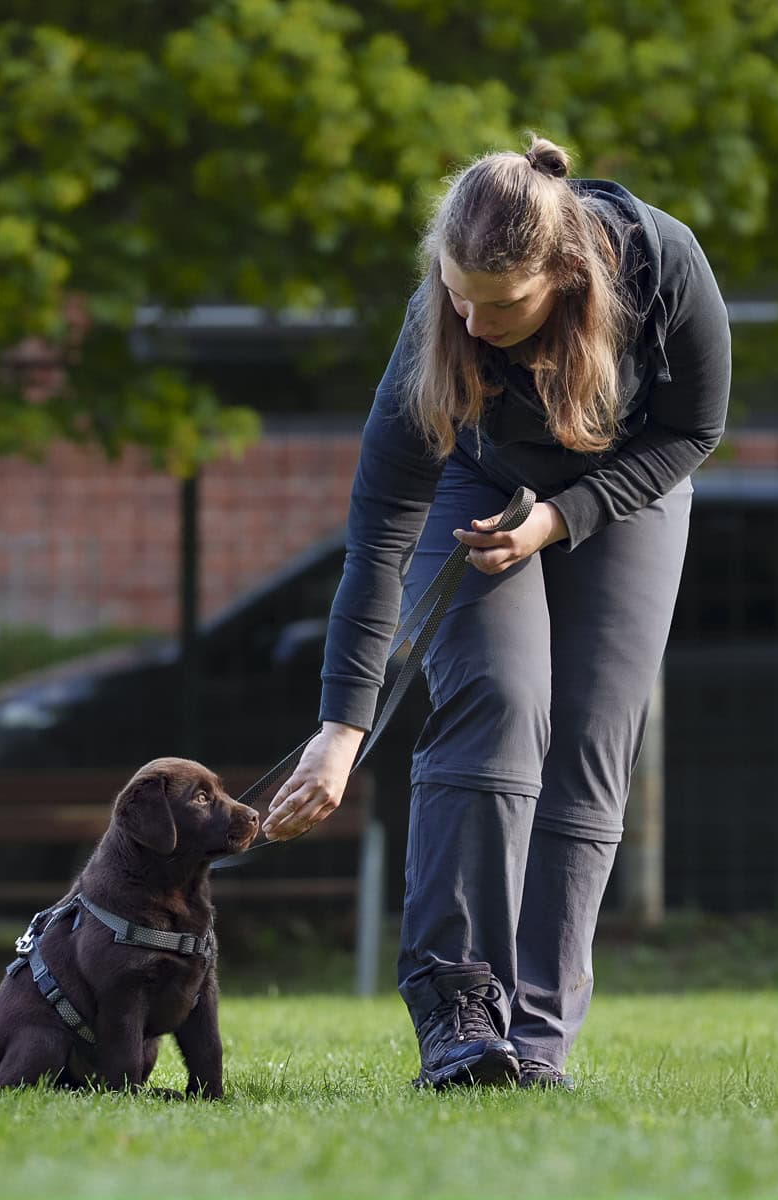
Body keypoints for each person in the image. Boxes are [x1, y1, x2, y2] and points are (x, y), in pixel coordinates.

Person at [261, 134, 732, 1091]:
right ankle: (461, 1012)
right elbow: (379, 534)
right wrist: (341, 731)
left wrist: (560, 519)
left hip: (627, 486)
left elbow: (695, 427)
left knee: (593, 736)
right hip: (475, 481)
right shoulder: (441, 324)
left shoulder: (663, 267)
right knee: (502, 697)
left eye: (503, 304)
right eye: (457, 294)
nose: (473, 324)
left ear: (566, 278)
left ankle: (539, 1037)